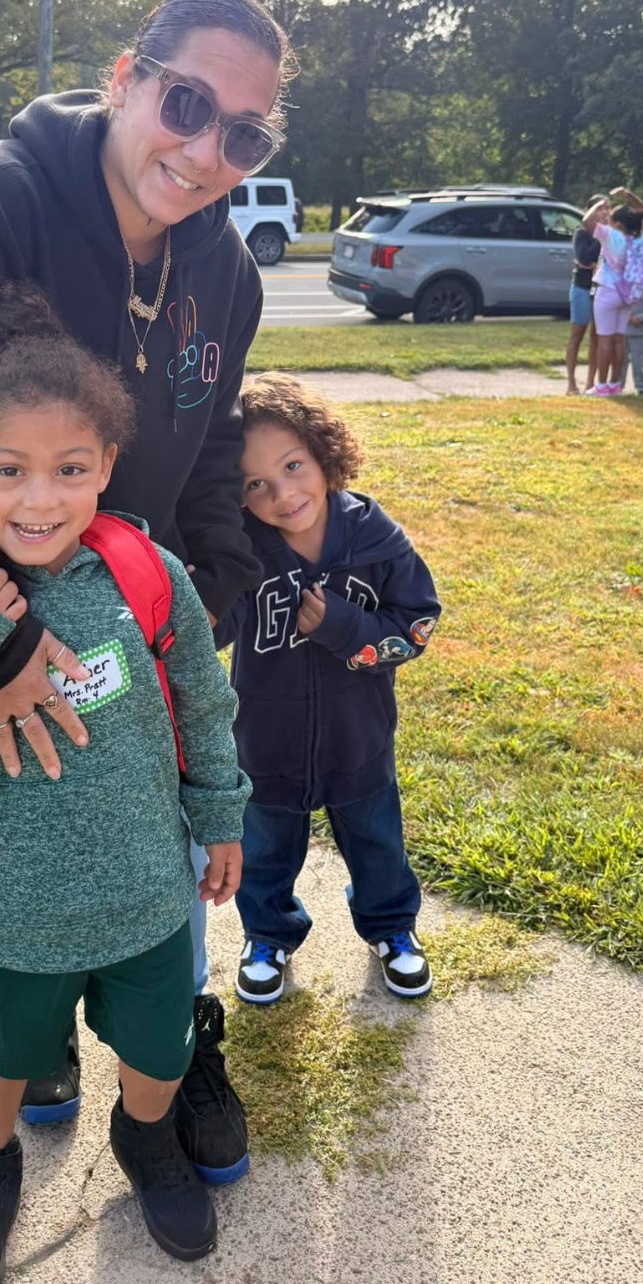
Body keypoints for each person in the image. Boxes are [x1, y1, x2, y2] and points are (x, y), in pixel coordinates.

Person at [0, 0, 291, 1170]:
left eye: (244, 135)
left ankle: (175, 1037)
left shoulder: (229, 273)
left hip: (142, 625)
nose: (205, 150)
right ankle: (31, 1031)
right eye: (186, 104)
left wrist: (207, 592)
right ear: (127, 78)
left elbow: (210, 445)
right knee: (14, 834)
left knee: (169, 845)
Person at [0, 284, 251, 1284]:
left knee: (157, 1051)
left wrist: (219, 816)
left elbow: (203, 701)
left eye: (70, 469)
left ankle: (145, 1138)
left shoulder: (144, 570)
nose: (40, 498)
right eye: (8, 470)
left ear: (107, 465)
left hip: (146, 895)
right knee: (0, 1058)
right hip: (8, 911)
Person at [215, 374, 441, 1006]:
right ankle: (267, 936)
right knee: (264, 850)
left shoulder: (375, 539)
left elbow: (416, 627)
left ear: (323, 452)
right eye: (254, 484)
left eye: (293, 466)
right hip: (265, 741)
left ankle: (391, 928)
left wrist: (342, 626)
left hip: (358, 739)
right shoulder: (244, 551)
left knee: (377, 844)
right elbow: (214, 627)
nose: (283, 495)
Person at [579, 195, 643, 394]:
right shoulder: (637, 237)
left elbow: (586, 221)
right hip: (628, 294)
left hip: (608, 291)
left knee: (604, 340)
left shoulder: (610, 236)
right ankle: (615, 384)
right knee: (619, 340)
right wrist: (629, 195)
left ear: (618, 223)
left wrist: (598, 204)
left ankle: (601, 385)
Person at [565, 209, 602, 394]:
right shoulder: (582, 234)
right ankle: (571, 384)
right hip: (582, 288)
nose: (604, 213)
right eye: (600, 209)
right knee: (577, 335)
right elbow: (585, 258)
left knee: (596, 337)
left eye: (606, 209)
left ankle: (590, 383)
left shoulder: (611, 235)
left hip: (601, 291)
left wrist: (595, 265)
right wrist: (600, 239)